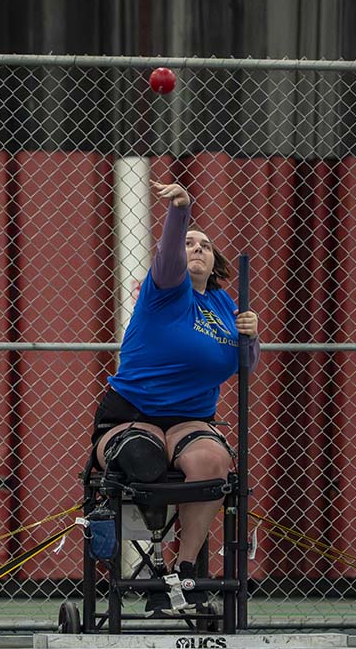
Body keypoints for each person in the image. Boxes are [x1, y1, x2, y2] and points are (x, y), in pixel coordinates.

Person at [91, 180, 260, 616]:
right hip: (134, 410)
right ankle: (156, 564)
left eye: (205, 245)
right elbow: (169, 255)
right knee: (143, 458)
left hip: (191, 417)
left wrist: (252, 338)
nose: (197, 248)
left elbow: (242, 364)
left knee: (212, 464)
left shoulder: (225, 304)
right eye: (189, 243)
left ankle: (182, 573)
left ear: (215, 260)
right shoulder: (166, 289)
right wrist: (180, 211)